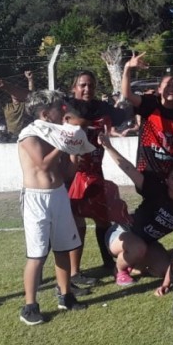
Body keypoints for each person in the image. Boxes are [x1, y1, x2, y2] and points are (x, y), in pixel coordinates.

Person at [17, 90, 95, 325]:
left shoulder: (53, 135)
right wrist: (64, 143)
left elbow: (65, 173)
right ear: (44, 113)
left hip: (58, 195)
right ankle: (29, 306)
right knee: (38, 254)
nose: (62, 111)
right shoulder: (28, 135)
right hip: (36, 199)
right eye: (57, 108)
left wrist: (74, 154)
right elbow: (41, 165)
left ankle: (66, 295)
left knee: (63, 248)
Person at [100, 134, 173, 286]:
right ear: (167, 180)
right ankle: (119, 269)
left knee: (165, 270)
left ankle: (136, 264)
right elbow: (129, 169)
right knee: (138, 248)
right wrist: (108, 147)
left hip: (147, 243)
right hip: (123, 233)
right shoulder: (156, 189)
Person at [65, 71, 130, 283]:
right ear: (74, 88)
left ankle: (108, 262)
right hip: (75, 174)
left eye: (91, 85)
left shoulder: (101, 108)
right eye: (82, 85)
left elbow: (125, 112)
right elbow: (34, 101)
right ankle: (73, 272)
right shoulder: (66, 106)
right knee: (77, 224)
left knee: (103, 220)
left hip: (95, 173)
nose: (87, 89)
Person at [121, 52, 173, 183]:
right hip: (149, 170)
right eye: (168, 85)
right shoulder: (150, 104)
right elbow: (127, 94)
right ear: (159, 89)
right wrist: (127, 68)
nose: (172, 88)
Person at [0, 70, 36, 141]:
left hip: (25, 134)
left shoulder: (24, 104)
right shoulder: (6, 105)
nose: (15, 94)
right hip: (11, 136)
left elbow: (32, 95)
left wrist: (30, 80)